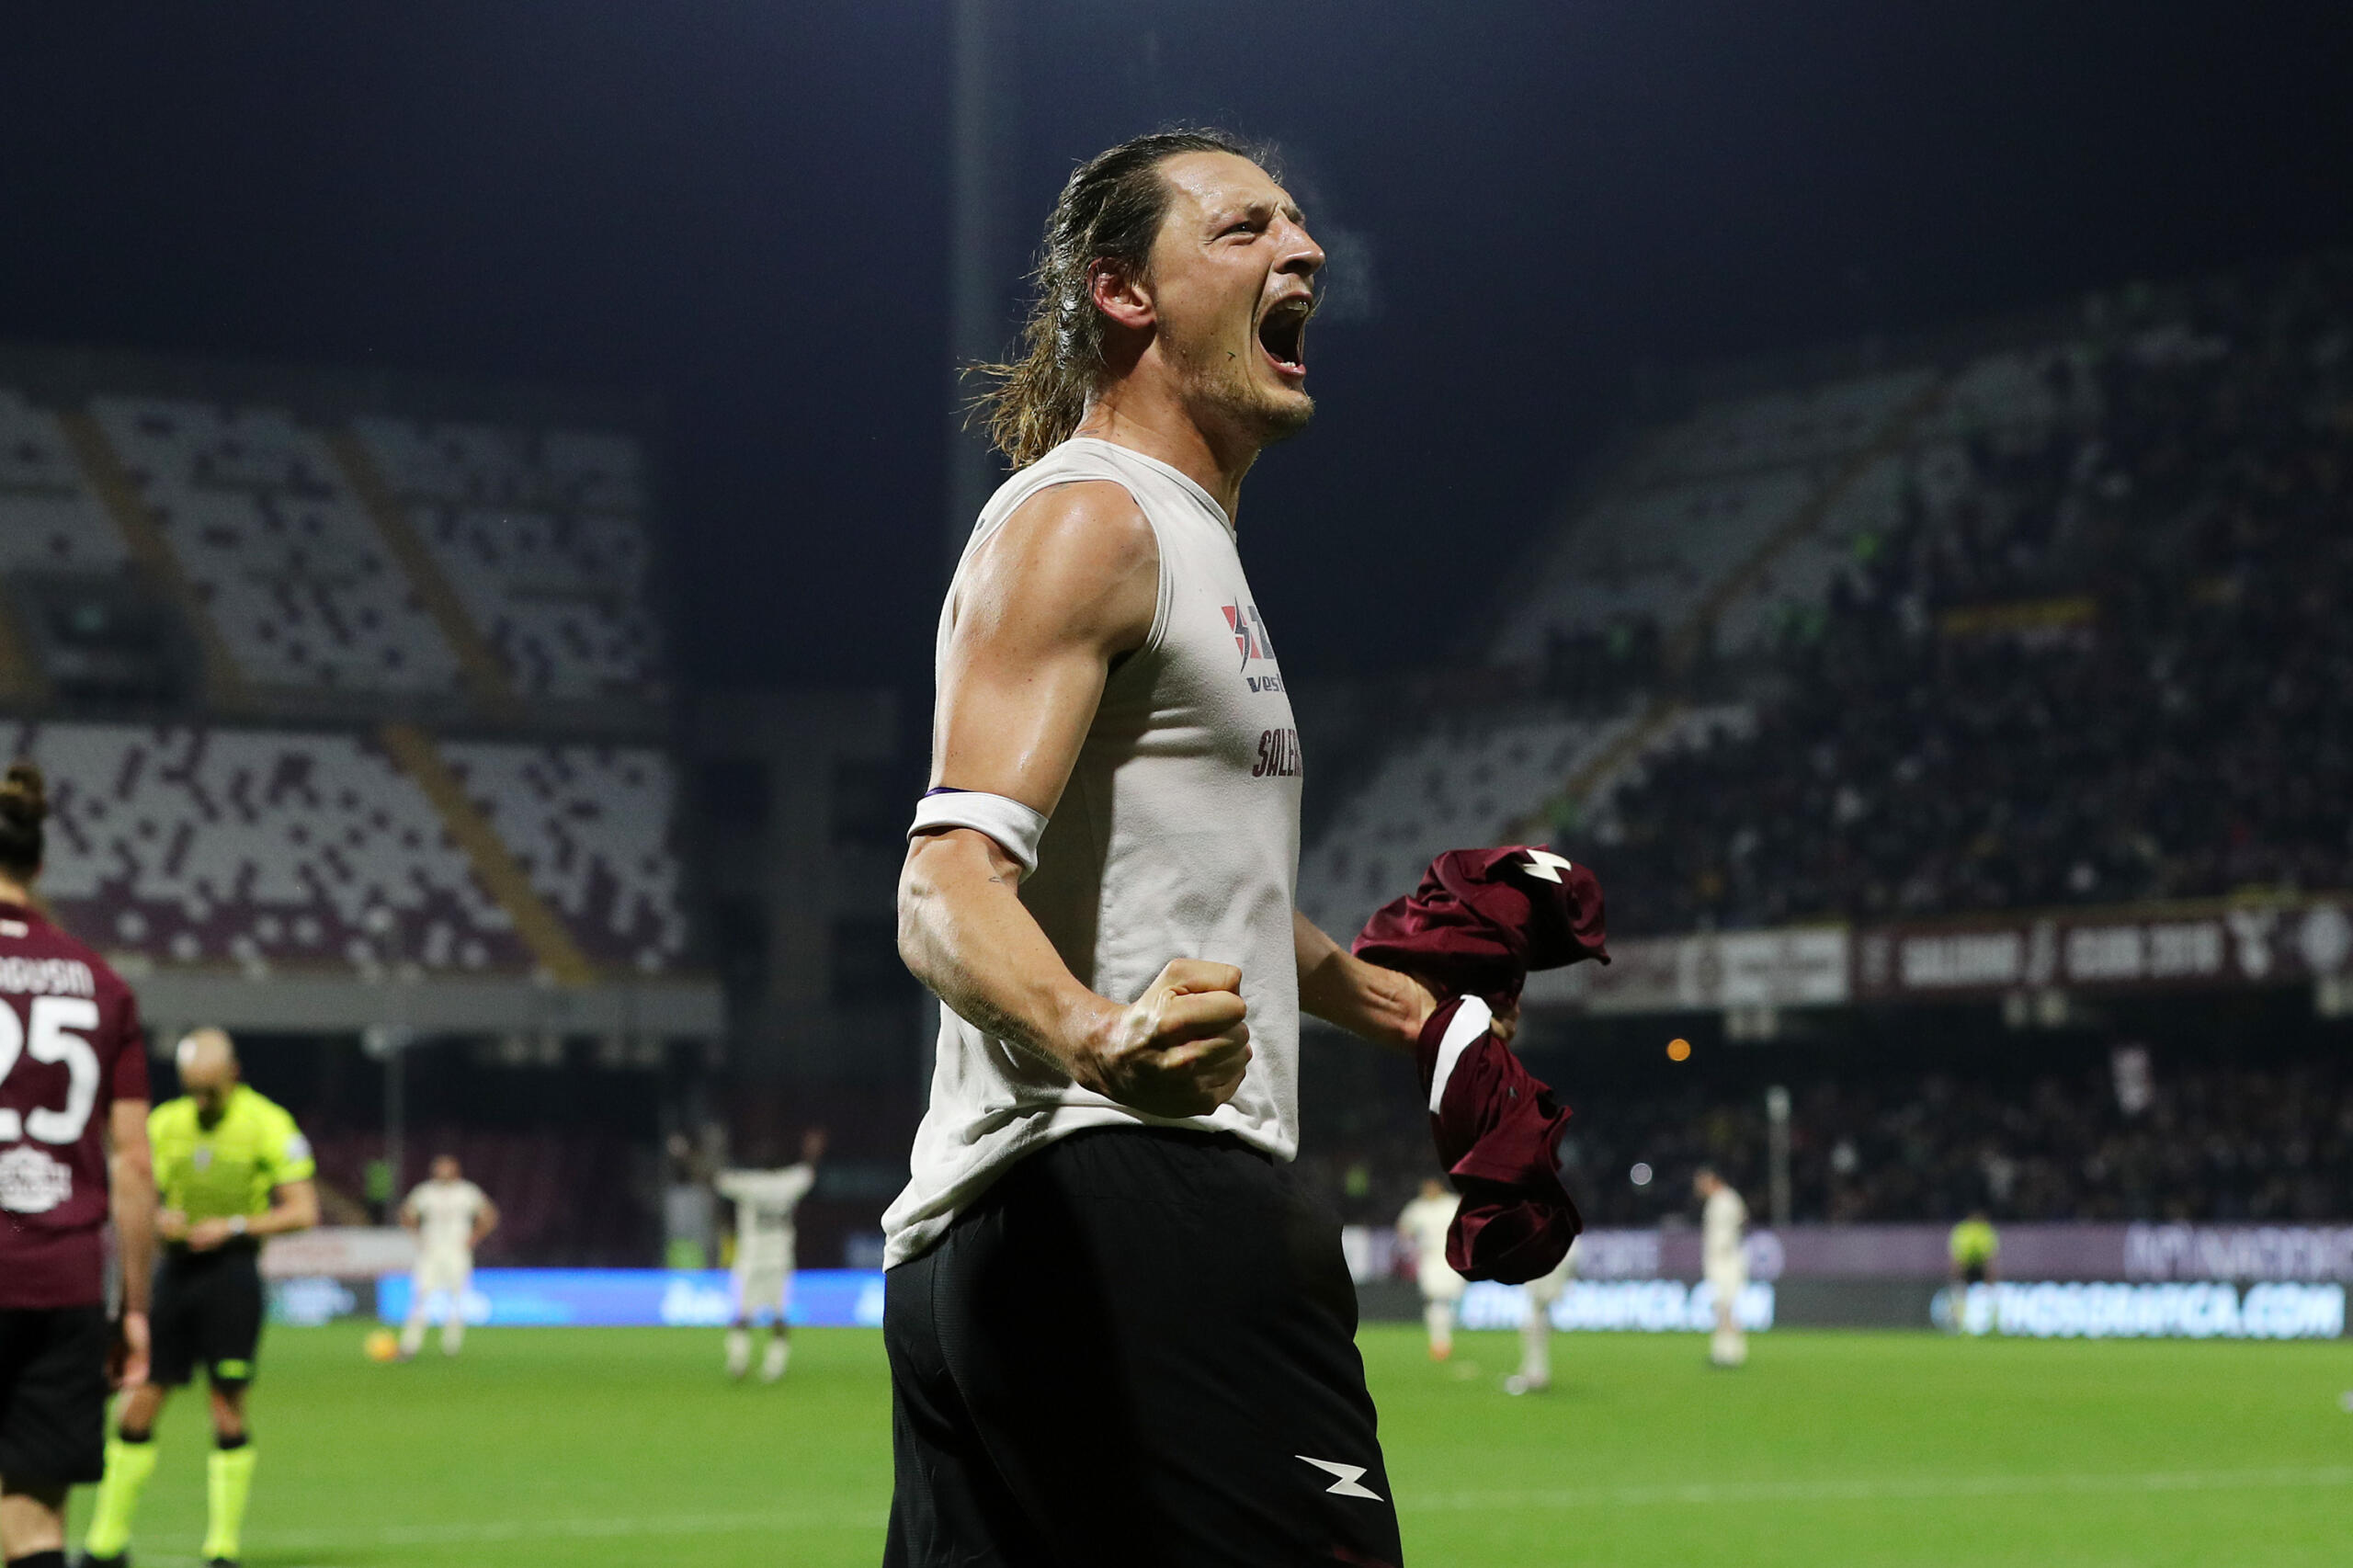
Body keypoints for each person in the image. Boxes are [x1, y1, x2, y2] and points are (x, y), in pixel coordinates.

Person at [885, 128, 1437, 1568]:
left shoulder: (1178, 541)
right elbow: (943, 882)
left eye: (1300, 226)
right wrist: (1095, 1033)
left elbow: (1183, 885)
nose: (1302, 249)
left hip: (1000, 1233)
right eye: (1244, 228)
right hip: (1135, 1202)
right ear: (1122, 289)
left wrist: (1393, 1005)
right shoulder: (1095, 519)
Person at [82, 1029, 317, 1568]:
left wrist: (233, 1226)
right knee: (138, 1401)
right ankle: (105, 1544)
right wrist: (156, 1216)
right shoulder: (167, 1123)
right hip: (176, 1272)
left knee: (227, 1406)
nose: (203, 1100)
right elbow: (132, 1190)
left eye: (211, 1089)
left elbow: (303, 1210)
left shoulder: (268, 1123)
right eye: (194, 1090)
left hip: (232, 1274)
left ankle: (222, 1550)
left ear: (234, 1075)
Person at [0, 763, 155, 1568]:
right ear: (40, 863)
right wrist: (133, 1308)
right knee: (35, 1526)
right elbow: (134, 1165)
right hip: (62, 1282)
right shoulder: (102, 983)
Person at [713, 1130, 824, 1383]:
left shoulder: (747, 1184)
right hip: (780, 1259)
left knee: (742, 1315)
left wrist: (686, 1155)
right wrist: (812, 1150)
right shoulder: (788, 1182)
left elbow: (715, 1178)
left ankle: (738, 1361)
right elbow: (808, 1171)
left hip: (751, 1259)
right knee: (778, 1316)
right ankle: (775, 1365)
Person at [396, 1154, 497, 1359]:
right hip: (431, 1251)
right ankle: (410, 1345)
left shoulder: (467, 1192)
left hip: (457, 1251)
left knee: (457, 1298)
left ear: (456, 1170)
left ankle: (451, 1345)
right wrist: (417, 1236)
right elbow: (406, 1214)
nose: (443, 1172)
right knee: (420, 1295)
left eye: (447, 1168)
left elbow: (489, 1214)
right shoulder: (425, 1192)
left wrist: (474, 1237)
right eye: (439, 1168)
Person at [1395, 1178, 1466, 1361]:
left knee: (1447, 1300)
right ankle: (1439, 1342)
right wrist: (1412, 1247)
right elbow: (1403, 1228)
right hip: (1430, 1259)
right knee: (1435, 1299)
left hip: (1451, 1257)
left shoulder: (1451, 1204)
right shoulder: (1418, 1208)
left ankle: (1443, 1339)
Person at [1506, 1237, 1578, 1395]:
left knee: (1534, 1324)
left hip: (1546, 1263)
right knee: (1537, 1321)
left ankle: (1535, 1374)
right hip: (1555, 1262)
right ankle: (1534, 1372)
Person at [1694, 1166, 1748, 1369]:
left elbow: (1740, 1221)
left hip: (1727, 1261)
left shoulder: (1726, 1199)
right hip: (1719, 1260)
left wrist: (1726, 1246)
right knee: (1721, 1308)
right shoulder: (1717, 1201)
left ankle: (1731, 1352)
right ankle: (1724, 1351)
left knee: (1725, 1307)